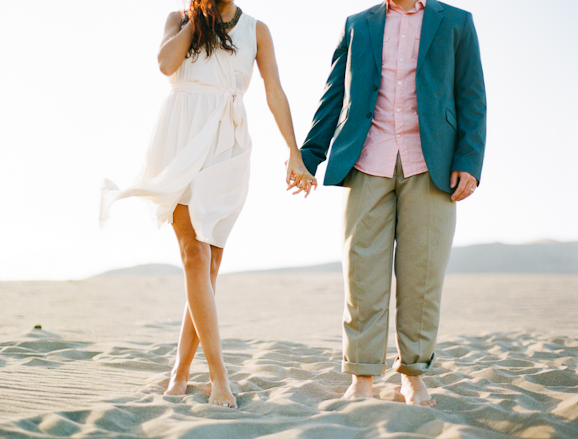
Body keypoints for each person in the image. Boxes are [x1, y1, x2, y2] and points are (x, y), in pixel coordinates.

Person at [100, 0, 316, 409]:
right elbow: (166, 64)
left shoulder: (257, 29)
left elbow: (274, 91)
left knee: (210, 265)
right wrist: (196, 20)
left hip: (227, 145)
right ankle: (219, 377)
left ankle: (180, 371)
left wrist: (294, 151)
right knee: (193, 256)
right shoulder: (178, 20)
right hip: (181, 137)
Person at [300, 0, 486, 406]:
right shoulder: (357, 24)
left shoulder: (456, 22)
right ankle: (362, 376)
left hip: (432, 164)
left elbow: (471, 94)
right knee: (362, 274)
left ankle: (413, 375)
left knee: (423, 274)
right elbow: (334, 96)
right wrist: (309, 156)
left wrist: (469, 161)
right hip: (367, 159)